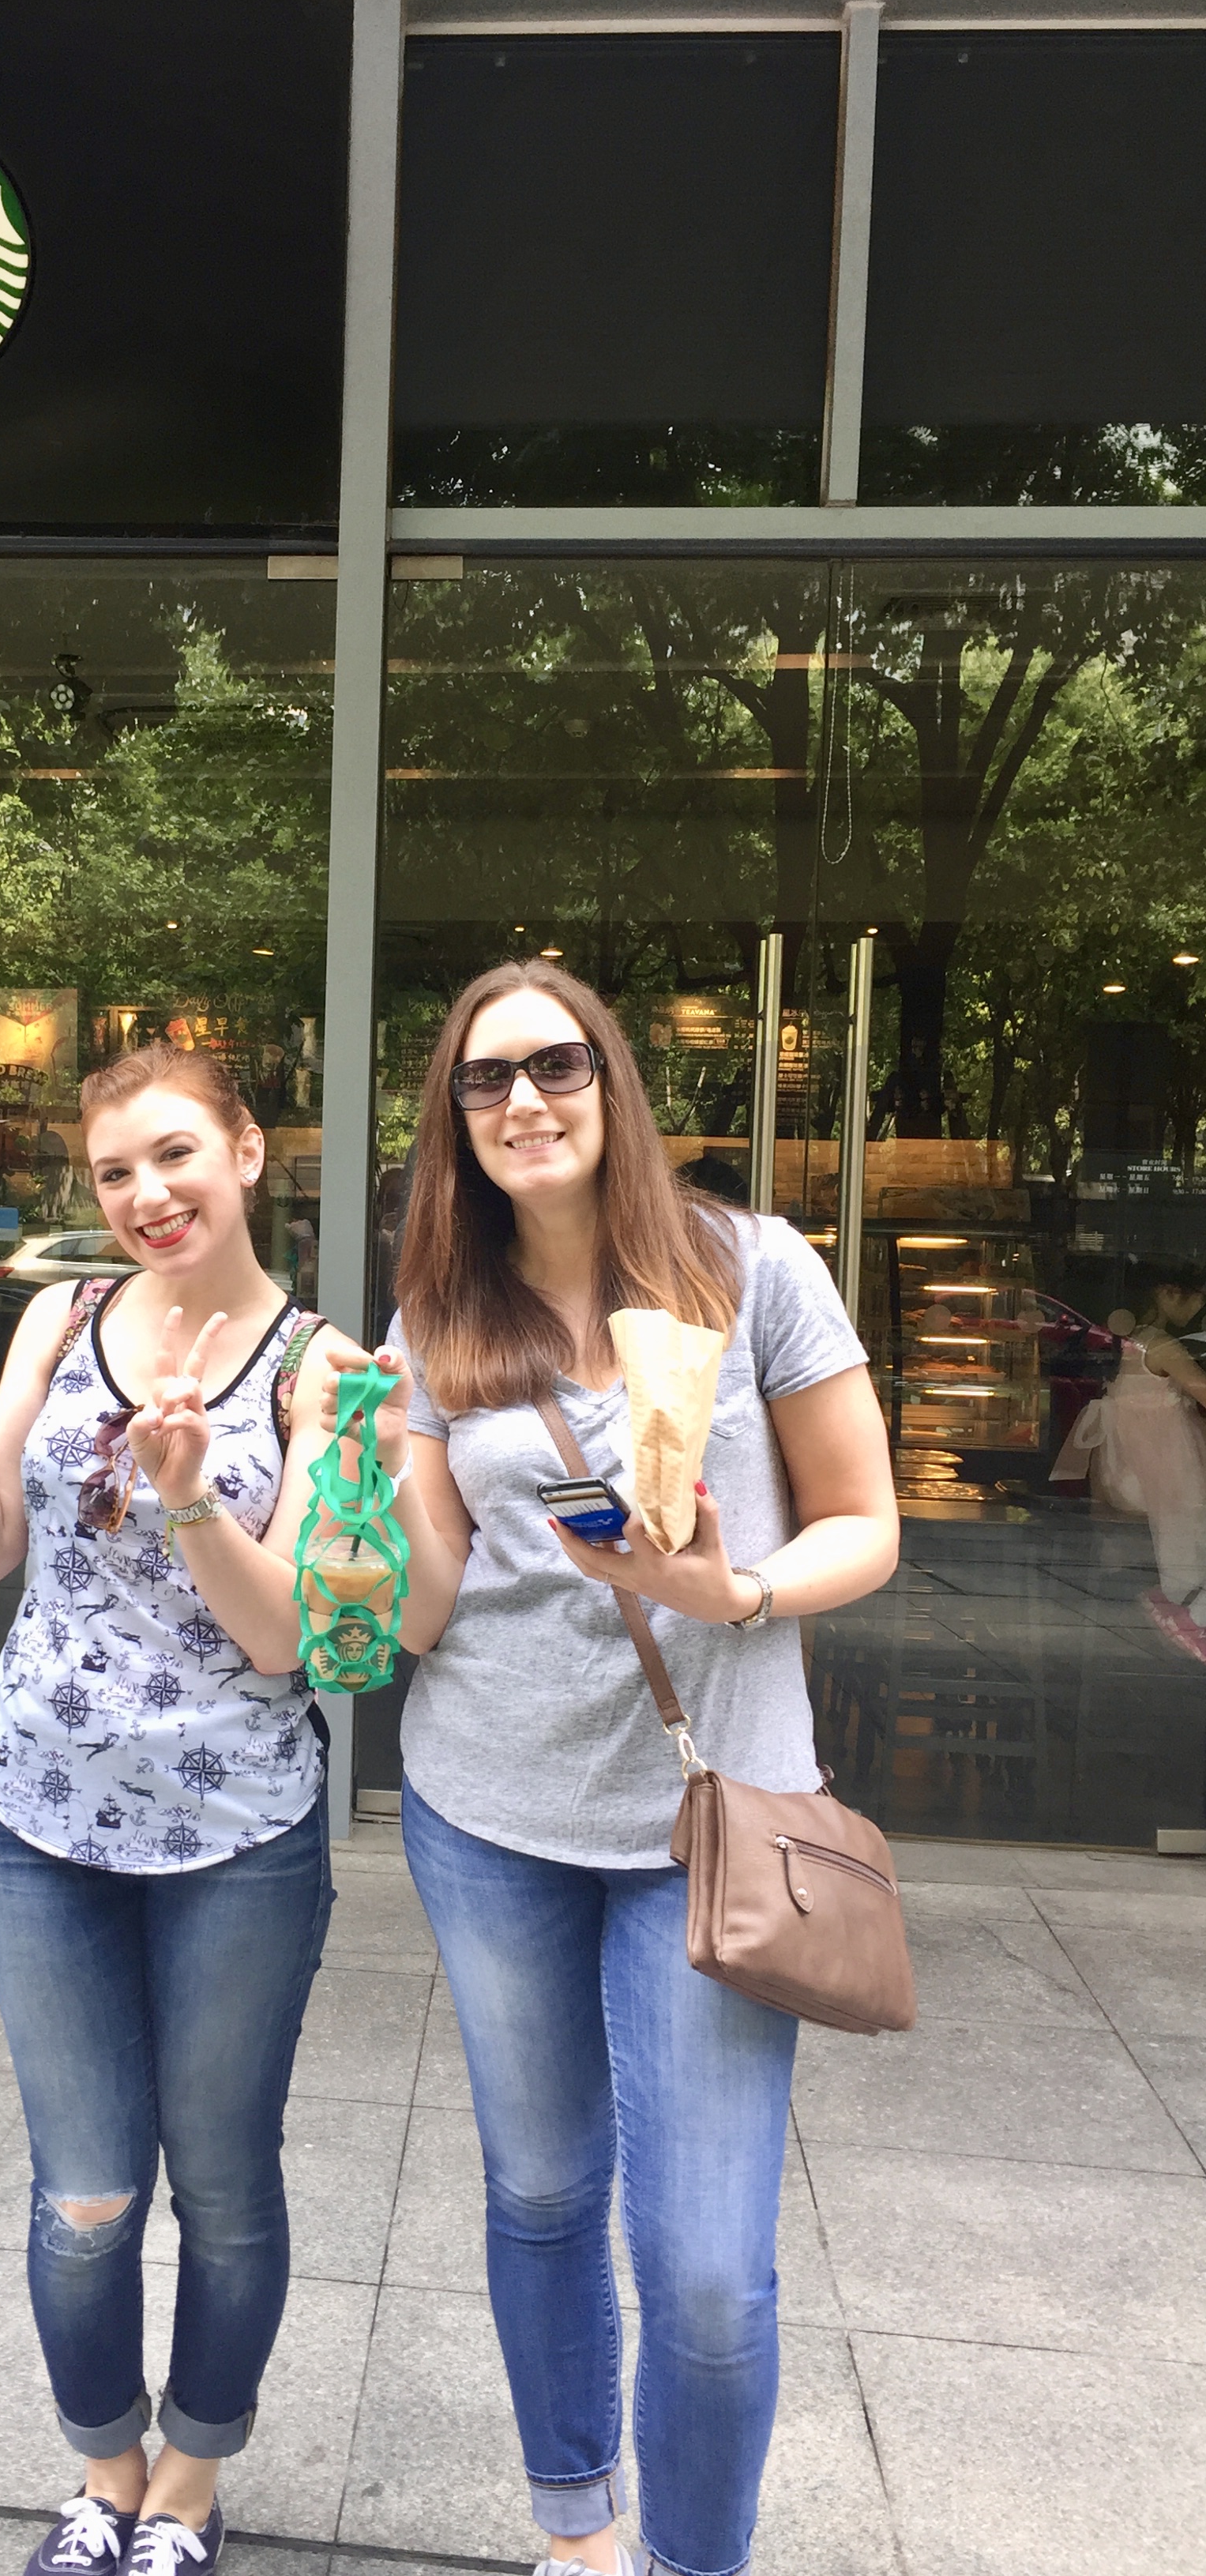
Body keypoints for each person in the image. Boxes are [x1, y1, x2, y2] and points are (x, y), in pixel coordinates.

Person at [324, 961, 898, 2576]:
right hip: (489, 1814)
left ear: (611, 1080)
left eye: (555, 1065)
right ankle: (575, 2530)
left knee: (706, 2269)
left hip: (709, 1823)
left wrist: (734, 1589)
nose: (521, 1100)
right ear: (454, 1121)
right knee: (542, 2191)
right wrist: (354, 1474)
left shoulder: (752, 1267)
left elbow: (866, 1524)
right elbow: (426, 1609)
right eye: (482, 1080)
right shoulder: (437, 1320)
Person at [0, 1042, 354, 2576]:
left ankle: (189, 2484)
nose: (147, 1193)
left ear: (248, 1151)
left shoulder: (322, 1367)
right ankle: (106, 2472)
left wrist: (189, 1491)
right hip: (40, 1821)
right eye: (116, 1170)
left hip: (239, 1835)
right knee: (84, 2195)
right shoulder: (62, 1319)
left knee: (224, 2184)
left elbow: (288, 1636)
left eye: (176, 1153)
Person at [1050, 1272, 1206, 1661]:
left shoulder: (1125, 1345)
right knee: (1189, 1529)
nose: (1200, 1307)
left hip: (1127, 1465)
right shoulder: (1160, 1345)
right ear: (1167, 1292)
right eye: (1196, 1297)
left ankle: (1178, 1605)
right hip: (1166, 1463)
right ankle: (1187, 1611)